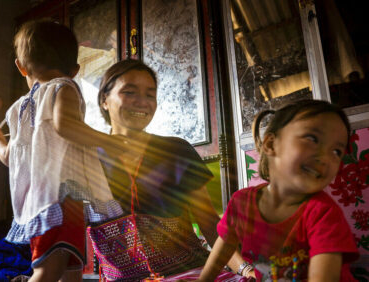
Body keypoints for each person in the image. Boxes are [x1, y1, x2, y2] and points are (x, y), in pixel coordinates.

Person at [0, 20, 124, 282]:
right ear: (74, 70)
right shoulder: (63, 86)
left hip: (37, 204)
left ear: (20, 67)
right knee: (50, 272)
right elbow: (65, 125)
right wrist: (108, 142)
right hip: (61, 200)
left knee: (68, 270)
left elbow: (9, 159)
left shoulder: (16, 110)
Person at [86, 59, 245, 281]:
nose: (142, 102)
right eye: (130, 92)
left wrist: (245, 270)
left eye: (150, 94)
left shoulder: (176, 150)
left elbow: (210, 225)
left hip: (192, 274)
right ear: (104, 100)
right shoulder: (85, 159)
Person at [197, 100, 359, 281]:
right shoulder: (242, 202)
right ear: (271, 144)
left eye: (336, 151)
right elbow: (225, 244)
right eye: (312, 139)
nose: (325, 157)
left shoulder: (323, 213)